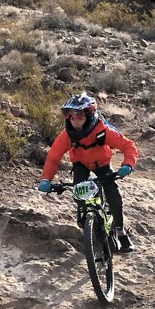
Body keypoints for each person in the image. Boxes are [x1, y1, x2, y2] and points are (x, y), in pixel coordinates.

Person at [37, 92, 139, 252]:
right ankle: (88, 221)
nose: (76, 123)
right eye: (72, 118)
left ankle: (120, 232)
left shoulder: (102, 130)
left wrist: (128, 164)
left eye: (80, 118)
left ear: (89, 117)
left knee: (113, 196)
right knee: (79, 194)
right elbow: (53, 157)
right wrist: (46, 180)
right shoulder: (67, 135)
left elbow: (128, 146)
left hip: (102, 163)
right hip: (80, 165)